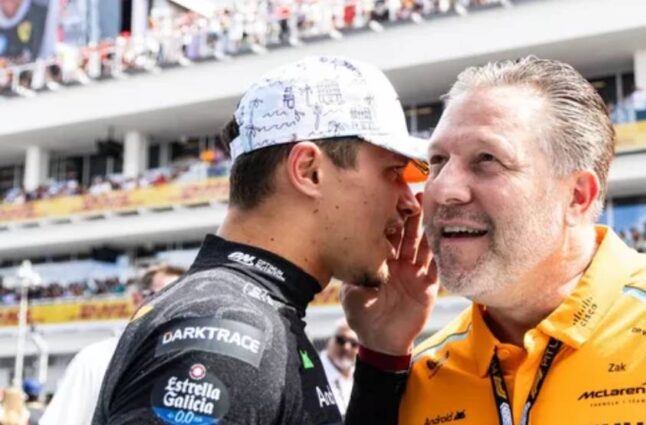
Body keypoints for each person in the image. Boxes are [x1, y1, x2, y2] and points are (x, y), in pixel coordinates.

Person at [342, 56, 646, 424]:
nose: (442, 189)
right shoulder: (422, 372)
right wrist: (381, 355)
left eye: (487, 160)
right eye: (438, 162)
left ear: (578, 196)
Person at [92, 56, 433, 425]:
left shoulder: (249, 314)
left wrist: (382, 355)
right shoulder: (227, 332)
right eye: (393, 172)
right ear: (309, 171)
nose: (410, 201)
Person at [41, 264, 185, 425]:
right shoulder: (96, 360)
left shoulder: (194, 365)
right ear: (137, 299)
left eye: (184, 298)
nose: (174, 306)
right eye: (164, 295)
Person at [319, 320, 359, 417]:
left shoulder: (361, 376)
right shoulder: (313, 372)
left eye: (353, 343)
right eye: (341, 340)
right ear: (329, 341)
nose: (346, 347)